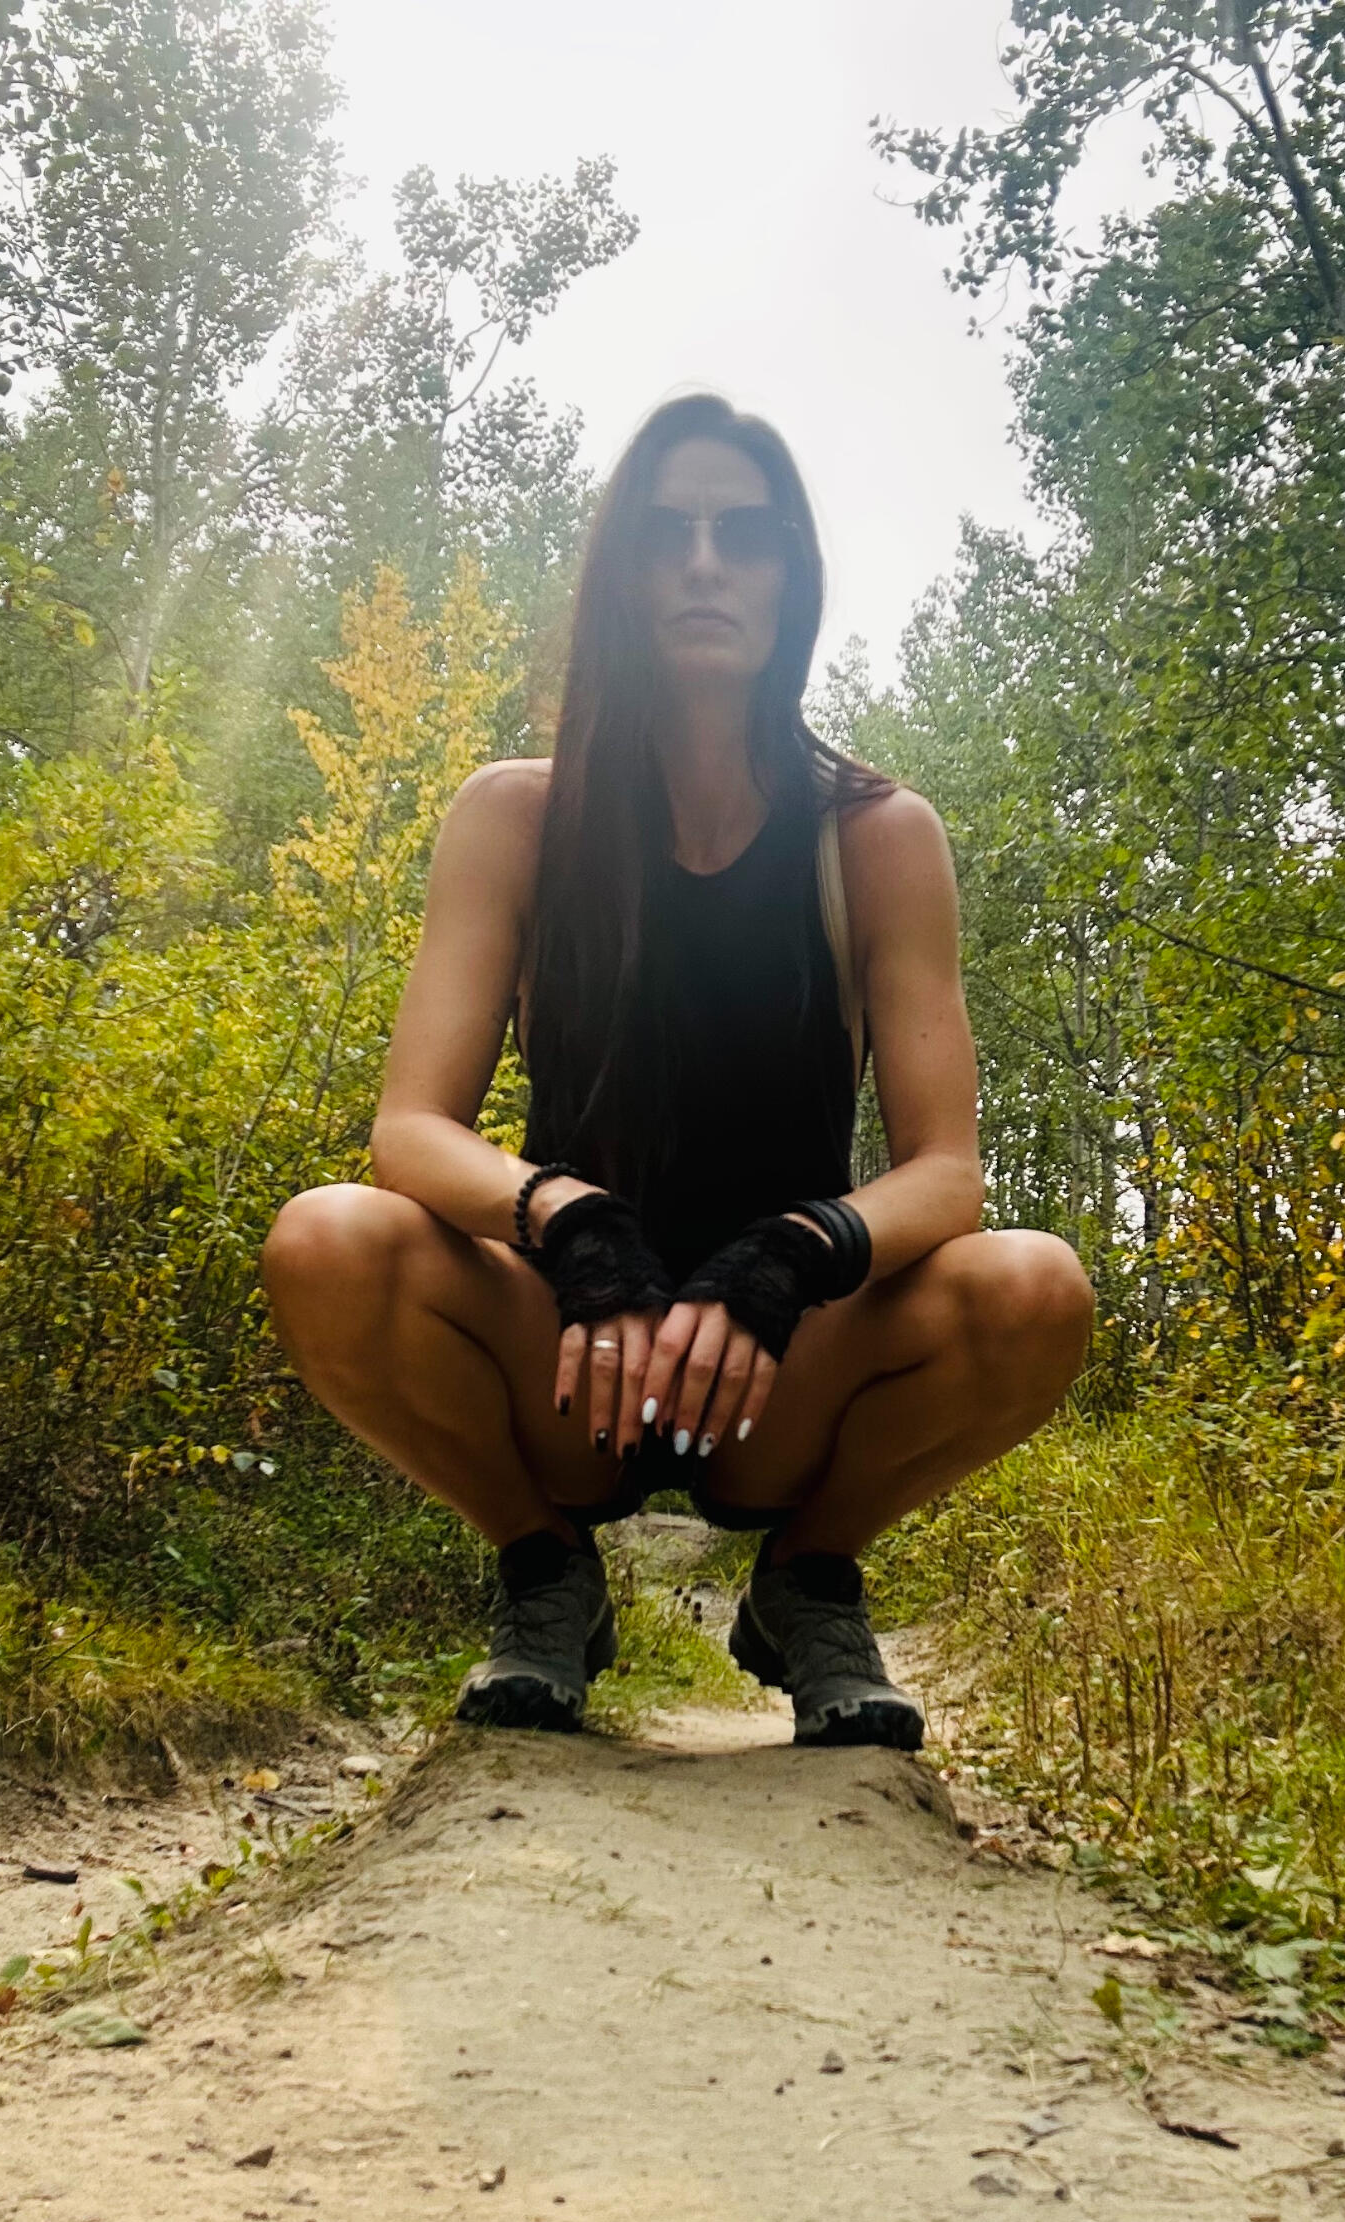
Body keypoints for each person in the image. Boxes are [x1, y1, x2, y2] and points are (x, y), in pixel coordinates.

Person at [261, 392, 1093, 1751]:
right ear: (623, 578)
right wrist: (574, 1226)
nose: (706, 563)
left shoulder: (877, 835)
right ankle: (547, 1573)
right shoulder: (515, 818)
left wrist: (786, 1261)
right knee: (326, 1242)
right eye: (669, 533)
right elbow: (409, 1131)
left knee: (1035, 1289)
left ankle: (809, 1580)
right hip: (572, 1354)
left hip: (778, 1371)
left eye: (744, 535)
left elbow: (949, 1175)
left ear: (791, 579)